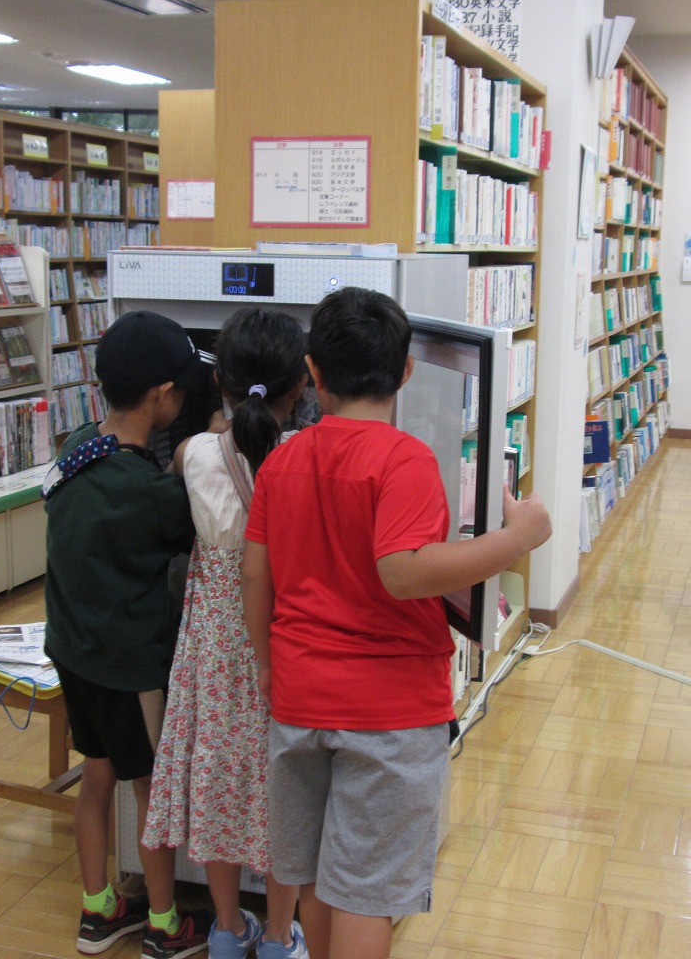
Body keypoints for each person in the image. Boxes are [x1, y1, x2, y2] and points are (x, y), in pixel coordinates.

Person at [241, 287, 552, 959]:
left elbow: (255, 575)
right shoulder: (403, 458)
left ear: (313, 371)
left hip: (299, 696)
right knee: (369, 890)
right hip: (388, 711)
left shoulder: (284, 459)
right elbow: (404, 573)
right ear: (407, 371)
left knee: (324, 873)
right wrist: (520, 536)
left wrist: (267, 664)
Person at [43, 310, 215, 958]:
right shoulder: (151, 493)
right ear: (163, 396)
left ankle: (98, 909)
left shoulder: (77, 447)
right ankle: (165, 925)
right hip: (131, 667)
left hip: (71, 653)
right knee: (152, 790)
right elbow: (186, 526)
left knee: (96, 774)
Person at [144, 308, 309, 959]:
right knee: (280, 786)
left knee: (216, 776)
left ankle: (223, 928)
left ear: (221, 384)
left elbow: (211, 460)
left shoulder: (191, 454)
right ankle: (276, 936)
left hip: (211, 641)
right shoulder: (304, 457)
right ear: (302, 386)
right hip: (280, 637)